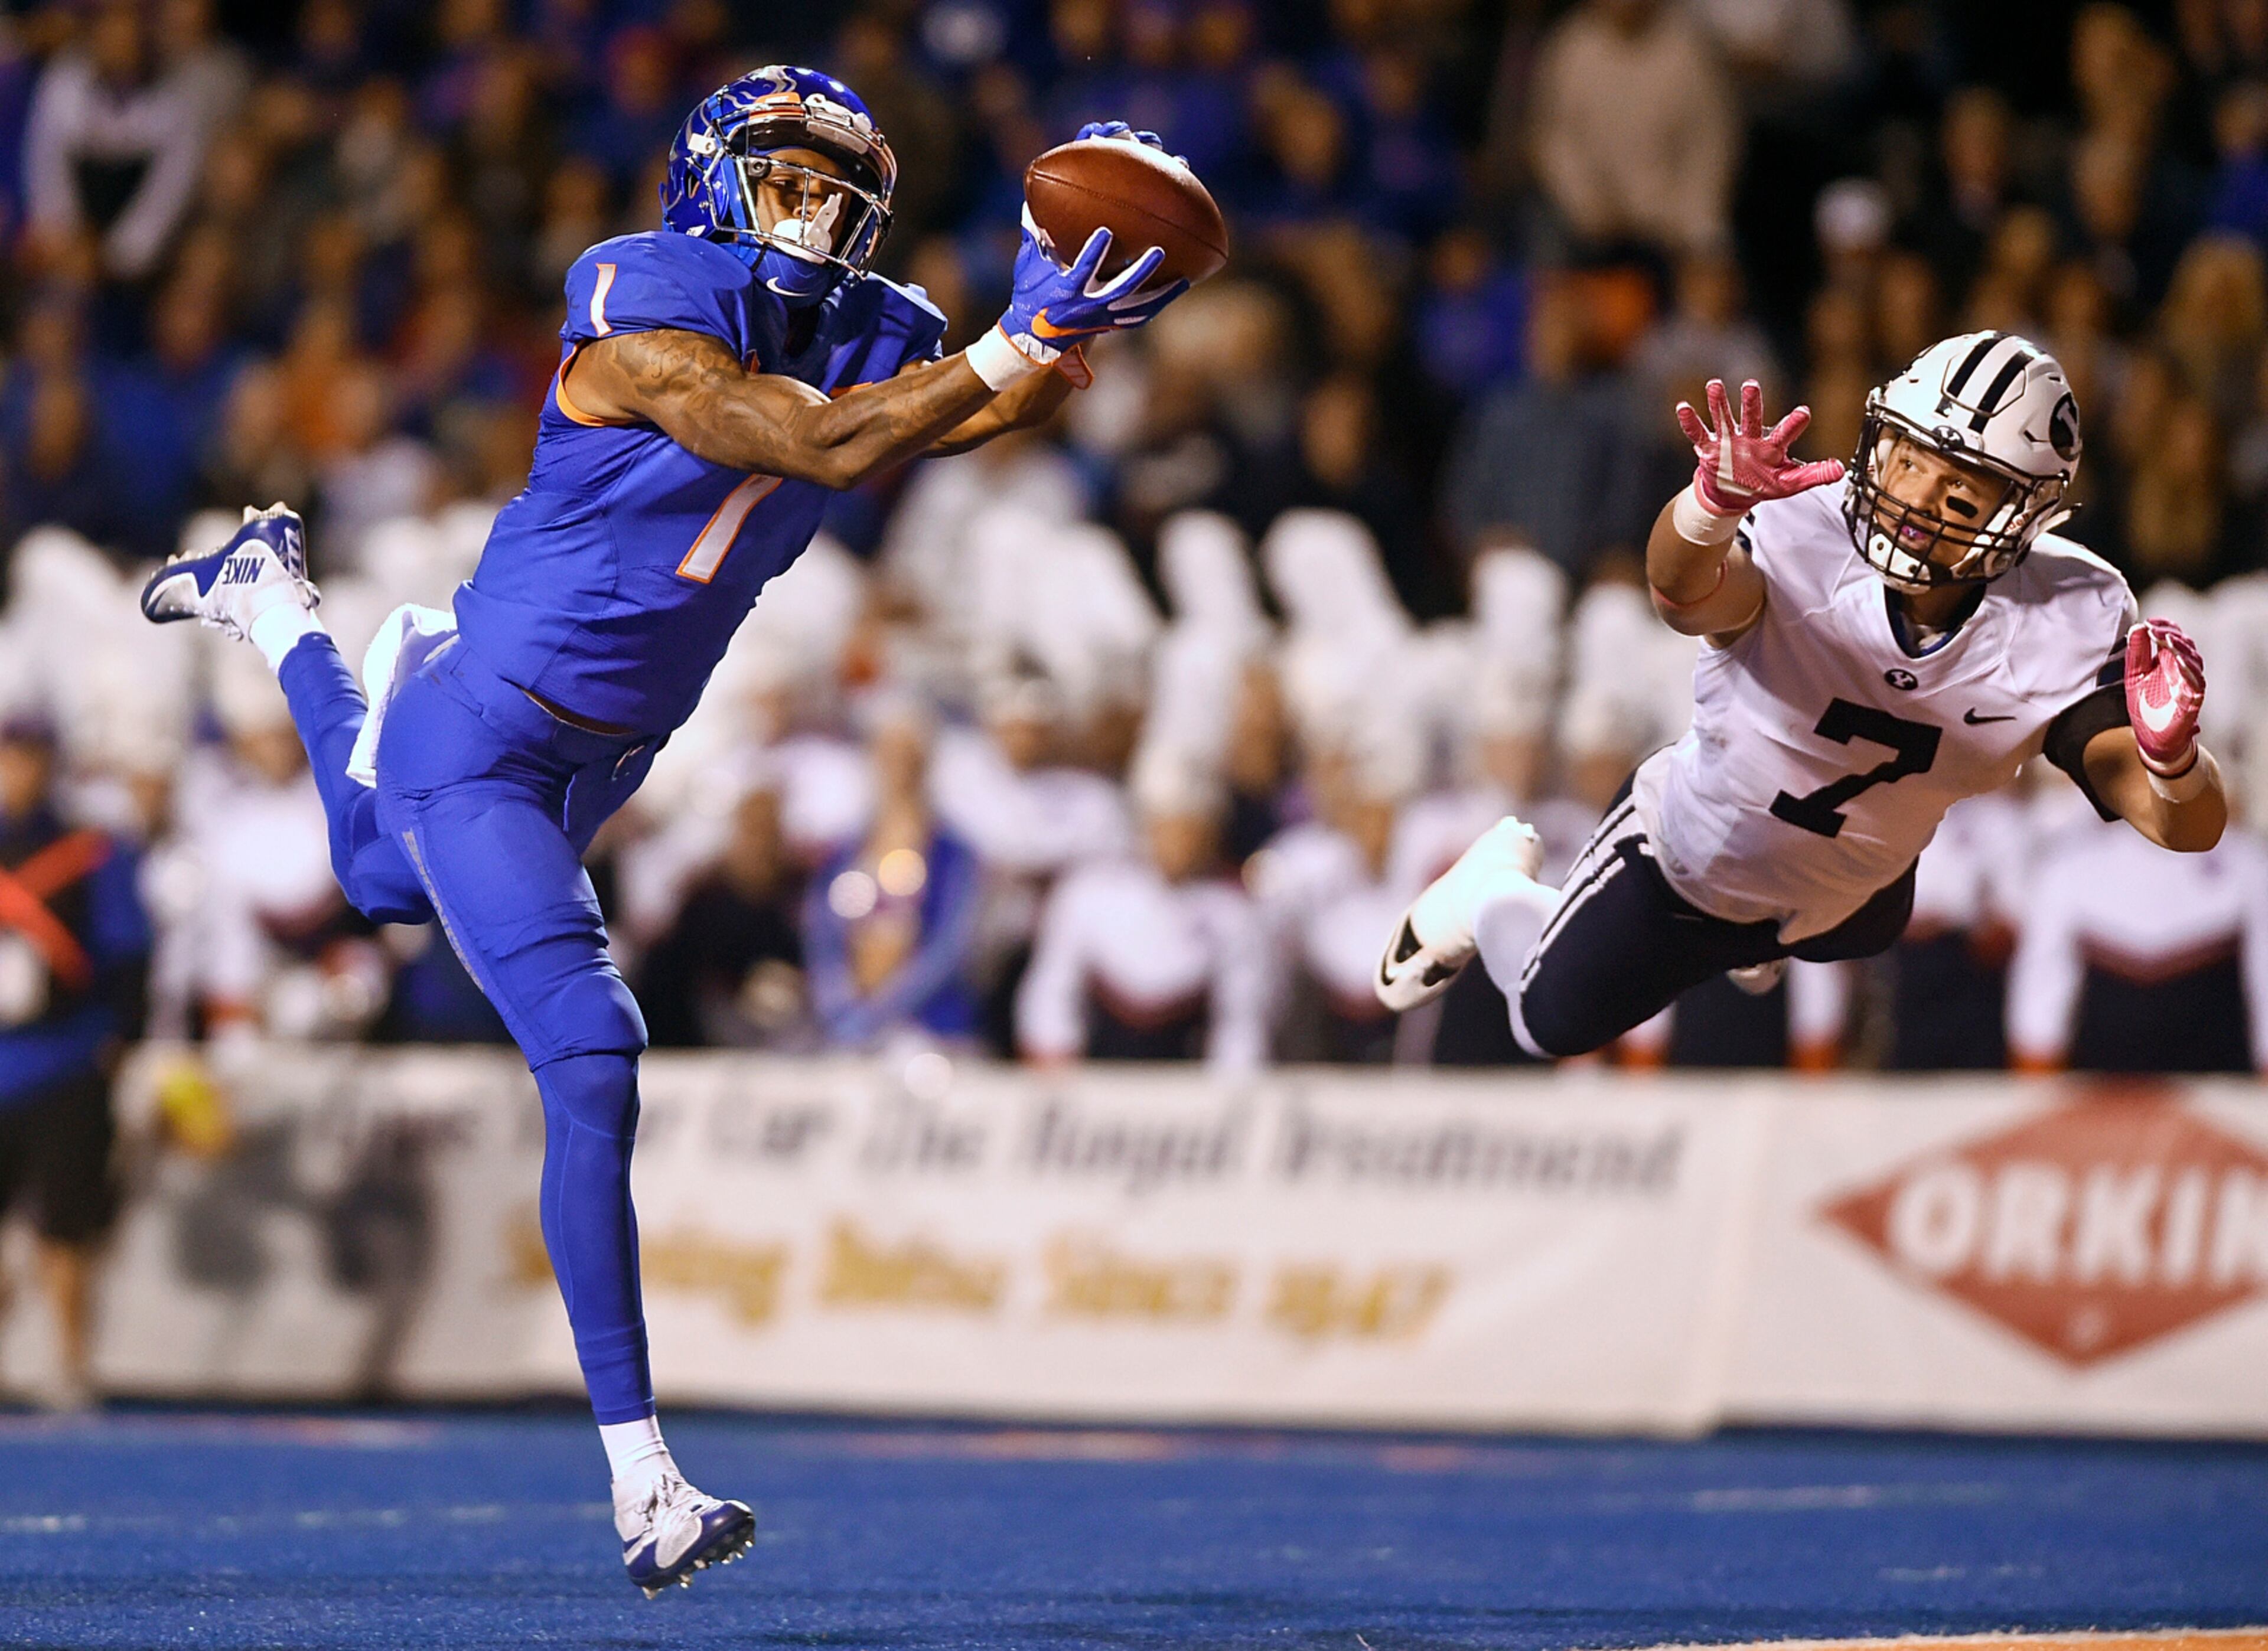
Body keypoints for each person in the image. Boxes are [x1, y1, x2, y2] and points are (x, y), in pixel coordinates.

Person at [137, 68, 1186, 1595]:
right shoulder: (638, 305)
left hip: (611, 745)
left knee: (374, 875)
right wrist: (1008, 347)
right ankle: (646, 1482)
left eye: (844, 189)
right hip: (489, 736)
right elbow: (817, 444)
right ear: (713, 180)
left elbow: (939, 422)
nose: (819, 210)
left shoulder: (876, 323)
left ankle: (272, 599)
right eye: (791, 178)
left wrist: (1058, 337)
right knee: (592, 1049)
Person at [1379, 334, 2229, 1062]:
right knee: (1545, 1024)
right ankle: (1489, 889)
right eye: (1908, 460)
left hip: (1856, 896)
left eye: (1960, 490)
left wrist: (2174, 759)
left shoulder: (2066, 612)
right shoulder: (1807, 527)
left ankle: (1764, 939)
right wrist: (1709, 509)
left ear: (2028, 515)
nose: (1918, 504)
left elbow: (2184, 827)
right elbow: (1681, 595)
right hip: (1688, 860)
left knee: (1855, 924)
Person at [0, 707, 149, 1409]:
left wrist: (117, 1035)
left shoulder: (89, 848)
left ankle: (70, 1362)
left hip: (62, 1057)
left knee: (66, 1224)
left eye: (26, 757)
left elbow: (127, 949)